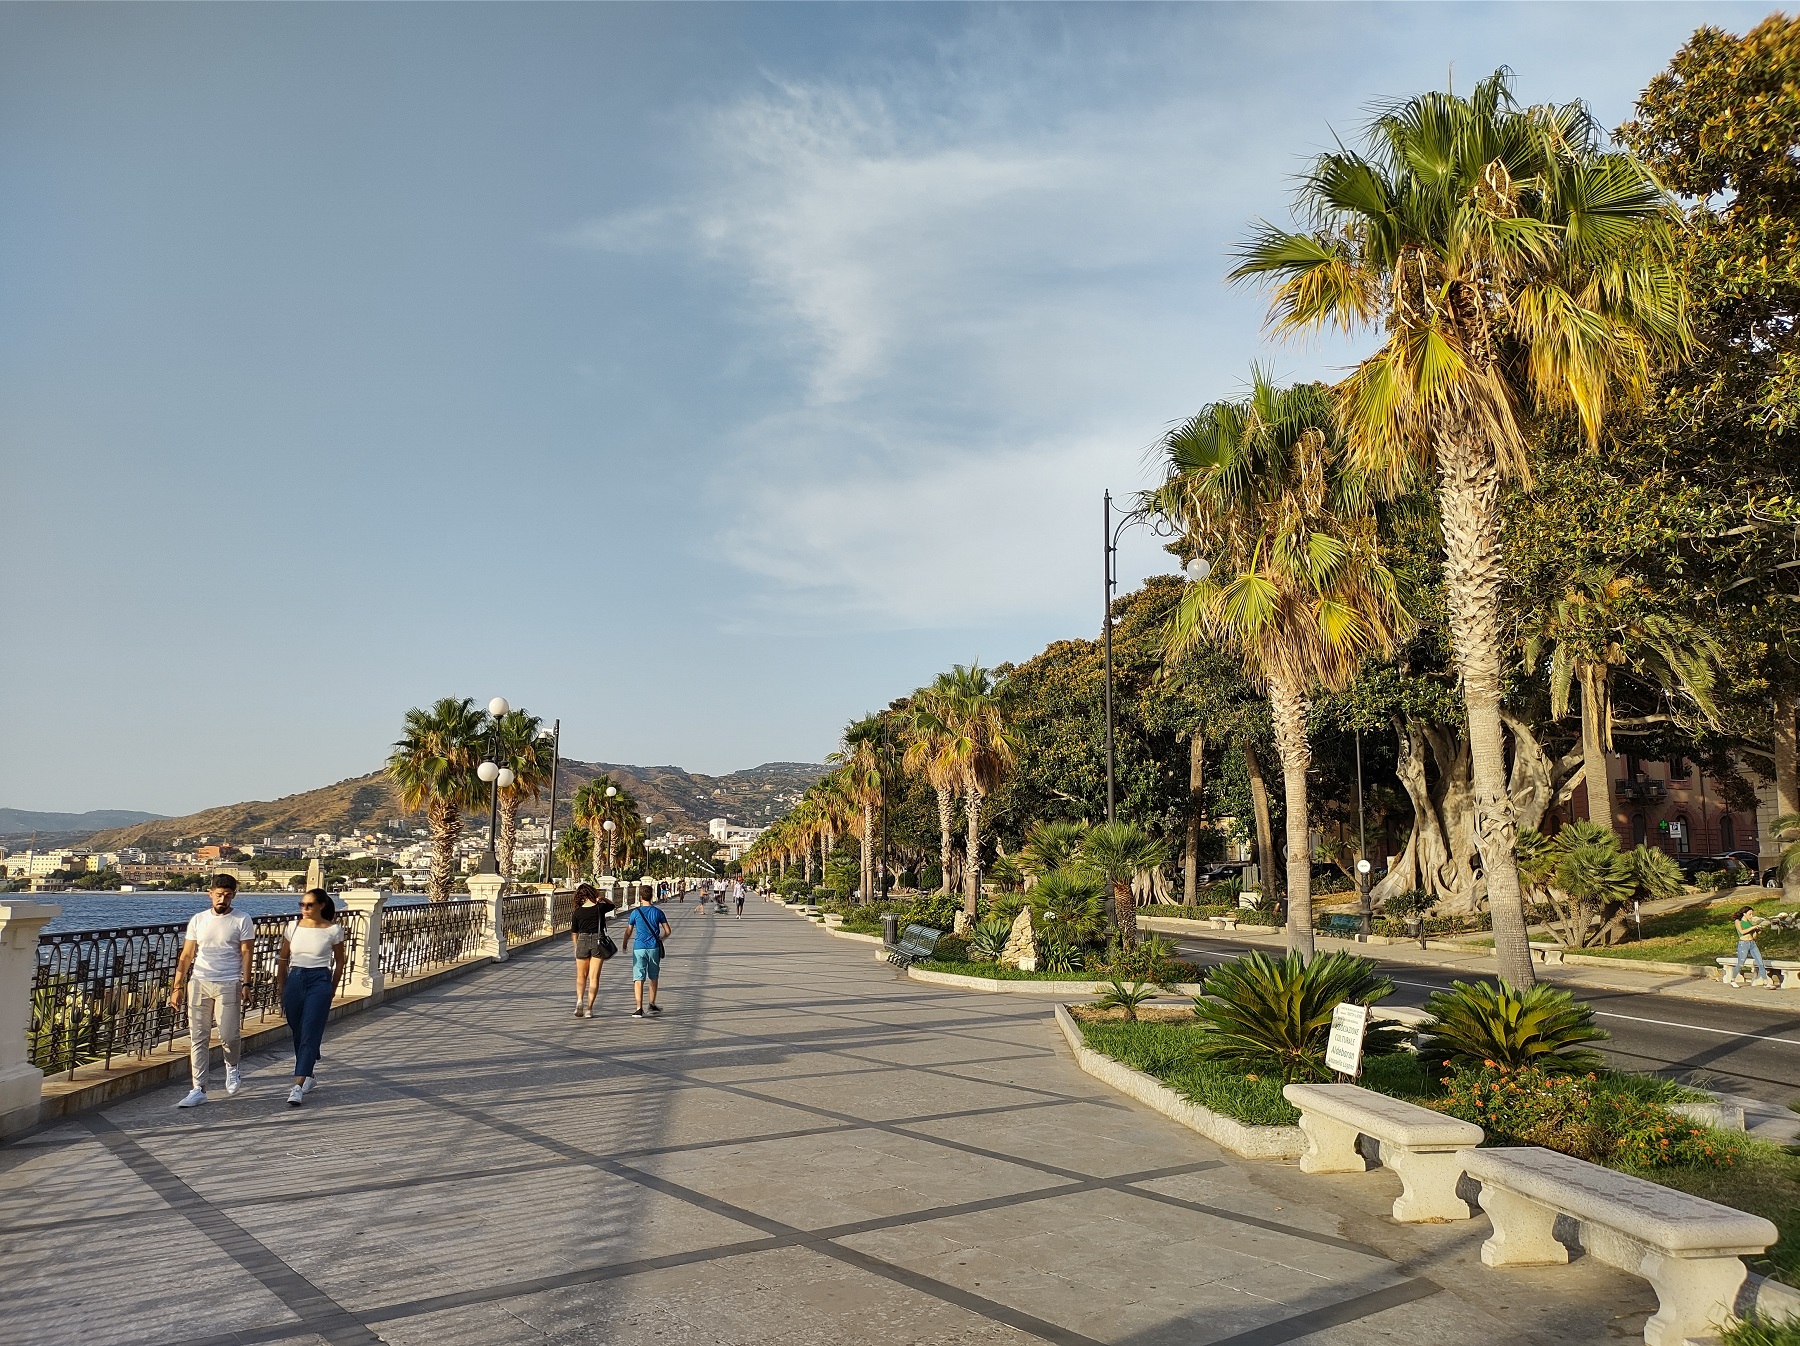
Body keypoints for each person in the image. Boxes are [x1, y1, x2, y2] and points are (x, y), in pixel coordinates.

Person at [168, 874, 255, 1108]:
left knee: (228, 1035)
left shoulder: (242, 919)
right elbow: (186, 955)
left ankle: (232, 1066)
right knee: (198, 1037)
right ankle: (199, 1088)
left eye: (227, 895)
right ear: (210, 894)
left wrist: (246, 984)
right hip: (199, 982)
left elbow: (247, 953)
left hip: (229, 982)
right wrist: (177, 987)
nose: (222, 899)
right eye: (218, 895)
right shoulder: (198, 920)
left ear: (234, 895)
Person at [276, 889, 348, 1105]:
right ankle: (310, 1068)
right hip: (295, 978)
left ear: (321, 906)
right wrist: (281, 987)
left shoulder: (333, 930)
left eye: (309, 905)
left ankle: (298, 1085)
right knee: (298, 1028)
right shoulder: (293, 927)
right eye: (302, 904)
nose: (304, 909)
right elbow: (283, 958)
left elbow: (340, 961)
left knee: (309, 1030)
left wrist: (332, 988)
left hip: (320, 980)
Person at [569, 883, 615, 1017]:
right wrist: (602, 899)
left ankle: (579, 1001)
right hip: (598, 941)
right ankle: (589, 1009)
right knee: (594, 977)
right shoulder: (600, 908)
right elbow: (612, 905)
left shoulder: (578, 912)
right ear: (592, 894)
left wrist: (576, 947)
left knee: (580, 976)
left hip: (582, 941)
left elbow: (574, 932)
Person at [624, 893, 672, 1018]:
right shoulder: (658, 912)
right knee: (653, 976)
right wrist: (661, 938)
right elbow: (668, 931)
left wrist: (624, 943)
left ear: (640, 898)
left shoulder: (635, 913)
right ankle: (651, 1003)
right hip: (653, 948)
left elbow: (628, 931)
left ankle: (639, 1008)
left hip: (639, 948)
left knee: (638, 978)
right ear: (651, 896)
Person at [1728, 906, 1773, 987]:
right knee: (1741, 963)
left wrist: (1757, 931)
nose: (1751, 916)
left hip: (1752, 943)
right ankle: (1733, 980)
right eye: (1750, 914)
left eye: (1752, 914)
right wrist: (1753, 927)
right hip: (1743, 944)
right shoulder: (1738, 921)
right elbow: (1742, 931)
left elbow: (1754, 936)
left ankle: (1766, 982)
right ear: (1744, 913)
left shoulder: (1749, 923)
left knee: (1760, 962)